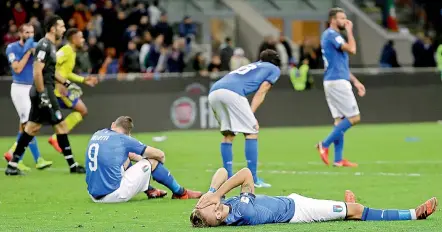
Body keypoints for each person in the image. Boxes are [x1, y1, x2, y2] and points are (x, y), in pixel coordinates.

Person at [190, 167, 438, 227]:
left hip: (292, 200)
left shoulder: (225, 207)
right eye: (215, 218)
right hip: (299, 212)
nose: (217, 212)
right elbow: (244, 174)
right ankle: (414, 214)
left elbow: (222, 171)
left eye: (214, 210)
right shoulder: (242, 212)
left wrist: (212, 193)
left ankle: (345, 206)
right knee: (358, 211)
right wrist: (218, 195)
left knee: (348, 208)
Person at [5, 15, 86, 176]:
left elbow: (50, 71)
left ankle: (12, 165)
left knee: (31, 128)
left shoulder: (51, 46)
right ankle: (73, 165)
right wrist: (43, 94)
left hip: (43, 91)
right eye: (61, 26)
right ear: (52, 28)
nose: (64, 29)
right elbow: (37, 71)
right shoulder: (44, 45)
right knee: (60, 126)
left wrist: (67, 84)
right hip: (44, 92)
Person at [85, 116, 203, 203]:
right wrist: (155, 167)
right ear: (128, 134)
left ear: (113, 125)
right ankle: (181, 193)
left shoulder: (98, 133)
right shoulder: (124, 139)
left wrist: (140, 161)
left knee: (126, 158)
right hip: (112, 196)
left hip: (93, 195)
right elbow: (160, 155)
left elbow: (129, 155)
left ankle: (150, 190)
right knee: (152, 162)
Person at [208, 49, 281, 188]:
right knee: (252, 131)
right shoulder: (273, 69)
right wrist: (251, 114)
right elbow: (262, 90)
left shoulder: (254, 65)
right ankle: (253, 178)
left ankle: (227, 176)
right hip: (232, 92)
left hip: (214, 91)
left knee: (228, 134)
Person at [316, 8, 366, 167]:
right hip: (337, 82)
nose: (345, 21)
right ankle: (324, 144)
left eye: (346, 18)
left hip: (334, 80)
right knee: (354, 118)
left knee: (340, 120)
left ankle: (338, 159)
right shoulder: (332, 35)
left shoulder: (331, 36)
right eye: (342, 18)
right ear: (332, 20)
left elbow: (340, 65)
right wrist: (351, 31)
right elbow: (352, 49)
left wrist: (355, 81)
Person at [4, 23, 52, 171]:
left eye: (31, 32)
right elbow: (17, 68)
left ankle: (13, 154)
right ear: (20, 33)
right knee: (30, 123)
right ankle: (38, 159)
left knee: (24, 127)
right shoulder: (12, 48)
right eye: (26, 32)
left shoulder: (36, 46)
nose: (30, 35)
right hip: (19, 89)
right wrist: (27, 52)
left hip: (31, 89)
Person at [48, 28, 98, 153]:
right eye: (81, 37)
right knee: (82, 110)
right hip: (59, 90)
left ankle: (56, 137)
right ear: (74, 39)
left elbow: (67, 72)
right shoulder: (66, 50)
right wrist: (59, 83)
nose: (83, 40)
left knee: (82, 110)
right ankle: (56, 137)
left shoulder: (72, 52)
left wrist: (83, 80)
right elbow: (50, 66)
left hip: (62, 88)